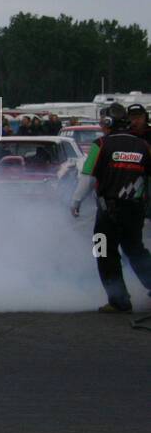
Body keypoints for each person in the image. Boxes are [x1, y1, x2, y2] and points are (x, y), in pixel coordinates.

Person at [71, 103, 151, 313]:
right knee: (135, 250)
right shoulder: (144, 145)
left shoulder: (101, 144)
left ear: (108, 123)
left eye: (101, 122)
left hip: (109, 209)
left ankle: (119, 301)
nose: (100, 125)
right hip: (135, 209)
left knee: (103, 251)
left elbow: (87, 177)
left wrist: (76, 201)